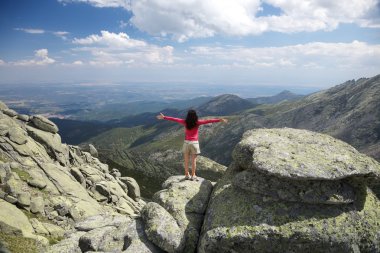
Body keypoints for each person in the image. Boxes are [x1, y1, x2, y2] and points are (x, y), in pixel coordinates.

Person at [156, 110, 227, 181]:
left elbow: (175, 119)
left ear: (188, 116)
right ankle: (193, 175)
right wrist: (219, 120)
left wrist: (164, 117)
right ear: (195, 116)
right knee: (194, 161)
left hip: (186, 143)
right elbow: (208, 121)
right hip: (194, 143)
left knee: (186, 160)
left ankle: (187, 175)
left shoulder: (185, 122)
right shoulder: (197, 122)